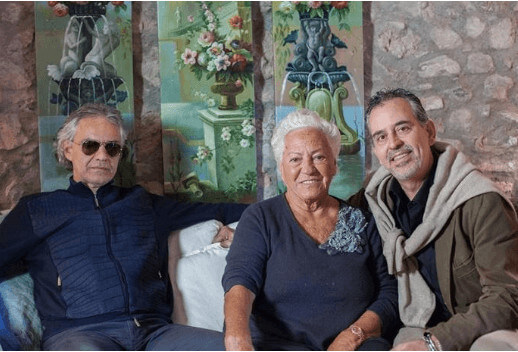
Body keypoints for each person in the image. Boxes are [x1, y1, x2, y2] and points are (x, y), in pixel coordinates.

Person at [0, 103, 247, 351]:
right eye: (90, 146)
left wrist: (278, 213)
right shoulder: (38, 210)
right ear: (67, 149)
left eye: (112, 148)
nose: (102, 155)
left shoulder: (142, 203)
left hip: (154, 332)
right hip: (78, 334)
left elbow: (222, 210)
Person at [222, 109, 399, 351]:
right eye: (295, 159)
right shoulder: (261, 218)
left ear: (334, 165)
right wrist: (237, 338)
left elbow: (389, 293)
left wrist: (353, 335)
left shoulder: (362, 221)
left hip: (353, 345)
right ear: (282, 169)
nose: (308, 169)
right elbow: (240, 282)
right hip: (280, 345)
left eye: (319, 157)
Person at [362, 88, 518, 350]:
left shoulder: (480, 200)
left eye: (402, 128)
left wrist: (435, 342)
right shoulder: (375, 201)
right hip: (416, 324)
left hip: (483, 327)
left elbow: (508, 296)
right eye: (381, 136)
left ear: (430, 132)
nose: (394, 143)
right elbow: (326, 212)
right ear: (377, 151)